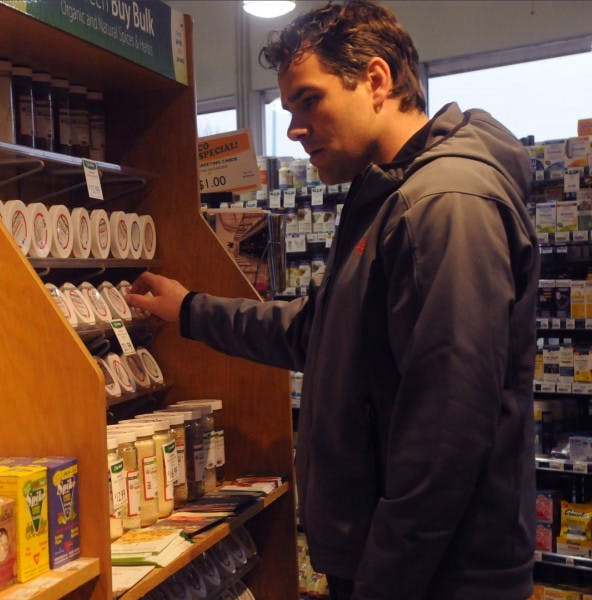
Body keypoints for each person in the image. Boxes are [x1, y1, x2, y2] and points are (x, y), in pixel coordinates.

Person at [126, 2, 538, 599]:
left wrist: (382, 582)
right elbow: (315, 332)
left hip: (436, 577)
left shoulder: (444, 205)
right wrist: (189, 308)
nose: (294, 128)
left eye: (309, 100)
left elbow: (446, 435)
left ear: (375, 81)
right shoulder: (388, 194)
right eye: (288, 108)